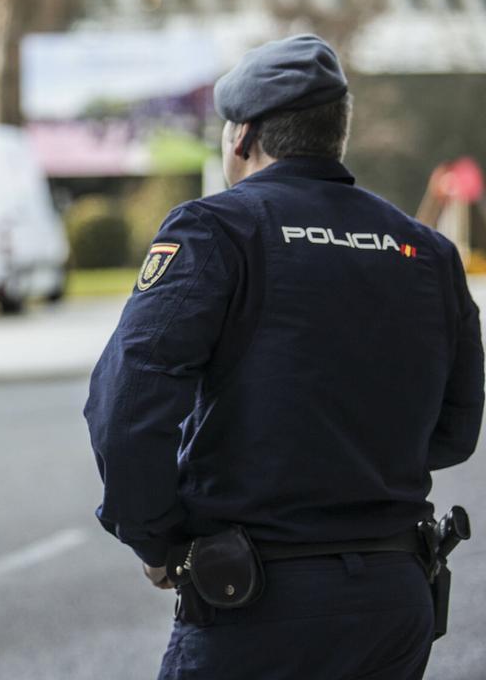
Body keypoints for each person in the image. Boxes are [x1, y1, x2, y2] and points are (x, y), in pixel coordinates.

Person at [82, 34, 483, 679]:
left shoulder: (217, 229)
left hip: (258, 600)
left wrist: (158, 541)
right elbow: (456, 430)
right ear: (336, 137)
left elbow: (126, 406)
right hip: (393, 597)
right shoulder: (429, 252)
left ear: (242, 136)